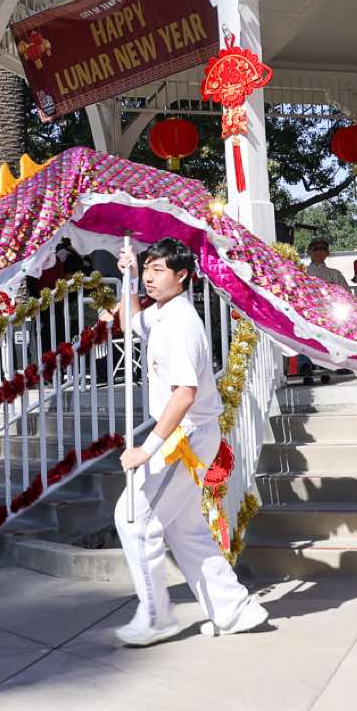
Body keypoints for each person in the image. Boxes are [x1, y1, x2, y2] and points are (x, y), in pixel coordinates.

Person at [111, 236, 270, 646]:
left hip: (185, 435)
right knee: (185, 530)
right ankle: (234, 610)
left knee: (134, 519)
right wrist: (128, 278)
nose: (150, 277)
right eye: (147, 268)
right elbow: (129, 322)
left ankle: (156, 617)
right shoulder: (162, 312)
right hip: (185, 433)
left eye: (157, 270)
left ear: (182, 275)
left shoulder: (182, 322)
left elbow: (184, 393)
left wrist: (147, 449)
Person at [299, 238, 350, 386]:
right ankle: (305, 364)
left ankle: (339, 362)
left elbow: (346, 294)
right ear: (309, 252)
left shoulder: (335, 274)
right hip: (308, 313)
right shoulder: (301, 272)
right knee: (303, 328)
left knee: (340, 326)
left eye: (323, 248)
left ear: (328, 252)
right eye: (315, 248)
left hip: (330, 314)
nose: (319, 251)